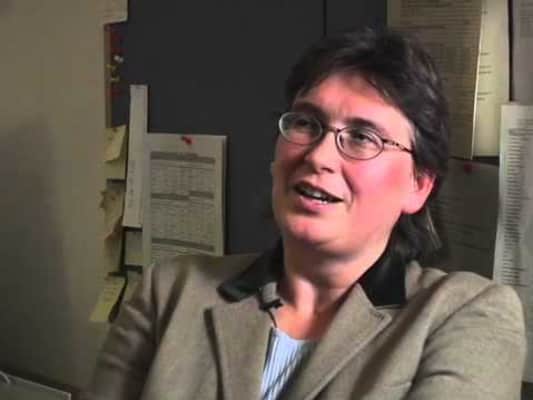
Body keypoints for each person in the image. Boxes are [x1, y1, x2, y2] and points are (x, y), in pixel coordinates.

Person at [84, 28, 526, 400]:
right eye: (306, 123)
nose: (318, 156)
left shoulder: (466, 316)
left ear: (419, 184)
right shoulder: (170, 292)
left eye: (362, 137)